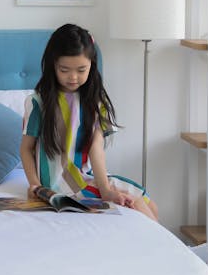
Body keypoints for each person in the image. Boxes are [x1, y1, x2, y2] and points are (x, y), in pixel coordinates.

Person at [19, 23, 158, 220]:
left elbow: (96, 148)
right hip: (58, 182)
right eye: (64, 70)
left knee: (151, 204)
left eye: (81, 69)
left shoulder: (94, 100)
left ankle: (179, 251)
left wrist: (105, 188)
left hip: (85, 176)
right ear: (53, 65)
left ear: (92, 64)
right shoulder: (38, 102)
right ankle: (176, 251)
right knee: (135, 202)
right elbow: (26, 149)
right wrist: (34, 185)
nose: (73, 77)